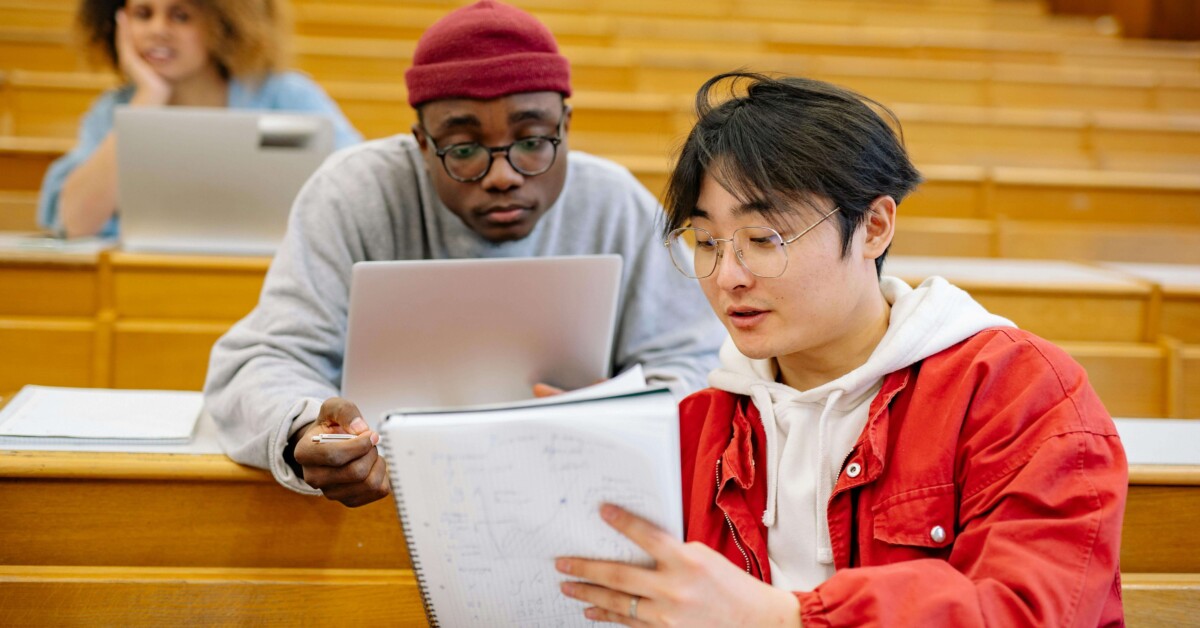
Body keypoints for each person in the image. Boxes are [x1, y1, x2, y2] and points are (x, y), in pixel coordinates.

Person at [555, 72, 1127, 626]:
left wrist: (787, 619)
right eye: (706, 241)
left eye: (764, 239)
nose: (727, 275)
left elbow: (1027, 611)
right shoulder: (699, 426)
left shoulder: (1018, 391)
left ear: (874, 227)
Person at [203, 1, 723, 508]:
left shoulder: (611, 202)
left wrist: (626, 411)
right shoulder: (352, 193)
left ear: (566, 125)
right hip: (386, 502)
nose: (504, 175)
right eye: (465, 150)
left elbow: (697, 357)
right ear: (422, 144)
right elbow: (259, 363)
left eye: (534, 141)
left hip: (573, 499)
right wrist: (306, 427)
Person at [38, 0, 362, 238]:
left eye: (180, 16)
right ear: (119, 23)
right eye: (142, 14)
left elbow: (359, 186)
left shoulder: (286, 95)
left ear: (223, 24)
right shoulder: (114, 110)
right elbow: (75, 222)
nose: (158, 30)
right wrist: (148, 98)